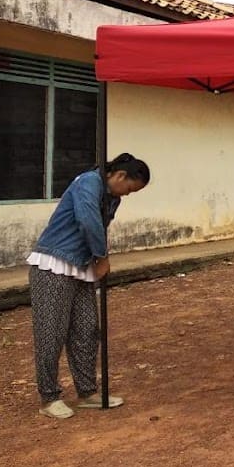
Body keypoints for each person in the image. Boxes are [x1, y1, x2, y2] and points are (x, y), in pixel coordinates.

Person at [28, 153, 151, 418]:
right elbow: (88, 220)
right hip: (54, 262)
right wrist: (102, 256)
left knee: (86, 329)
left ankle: (87, 392)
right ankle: (49, 398)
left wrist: (97, 257)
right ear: (119, 176)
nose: (128, 194)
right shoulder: (88, 183)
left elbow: (100, 226)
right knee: (52, 331)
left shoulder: (112, 196)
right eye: (130, 188)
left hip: (81, 266)